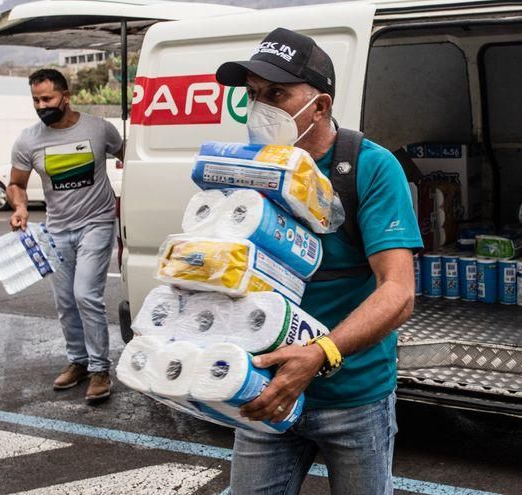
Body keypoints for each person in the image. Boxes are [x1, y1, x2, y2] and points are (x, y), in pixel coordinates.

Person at [216, 28, 423, 494]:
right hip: (266, 391)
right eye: (252, 95)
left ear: (321, 106)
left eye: (276, 94)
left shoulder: (369, 167)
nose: (260, 108)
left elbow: (398, 292)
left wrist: (320, 354)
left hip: (354, 397)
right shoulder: (252, 169)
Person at [7, 68, 124, 403]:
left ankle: (101, 369)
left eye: (47, 98)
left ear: (66, 96)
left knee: (86, 293)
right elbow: (15, 183)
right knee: (66, 302)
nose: (41, 105)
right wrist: (20, 207)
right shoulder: (28, 139)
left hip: (97, 223)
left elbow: (129, 155)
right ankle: (79, 362)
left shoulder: (98, 129)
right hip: (55, 230)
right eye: (35, 100)